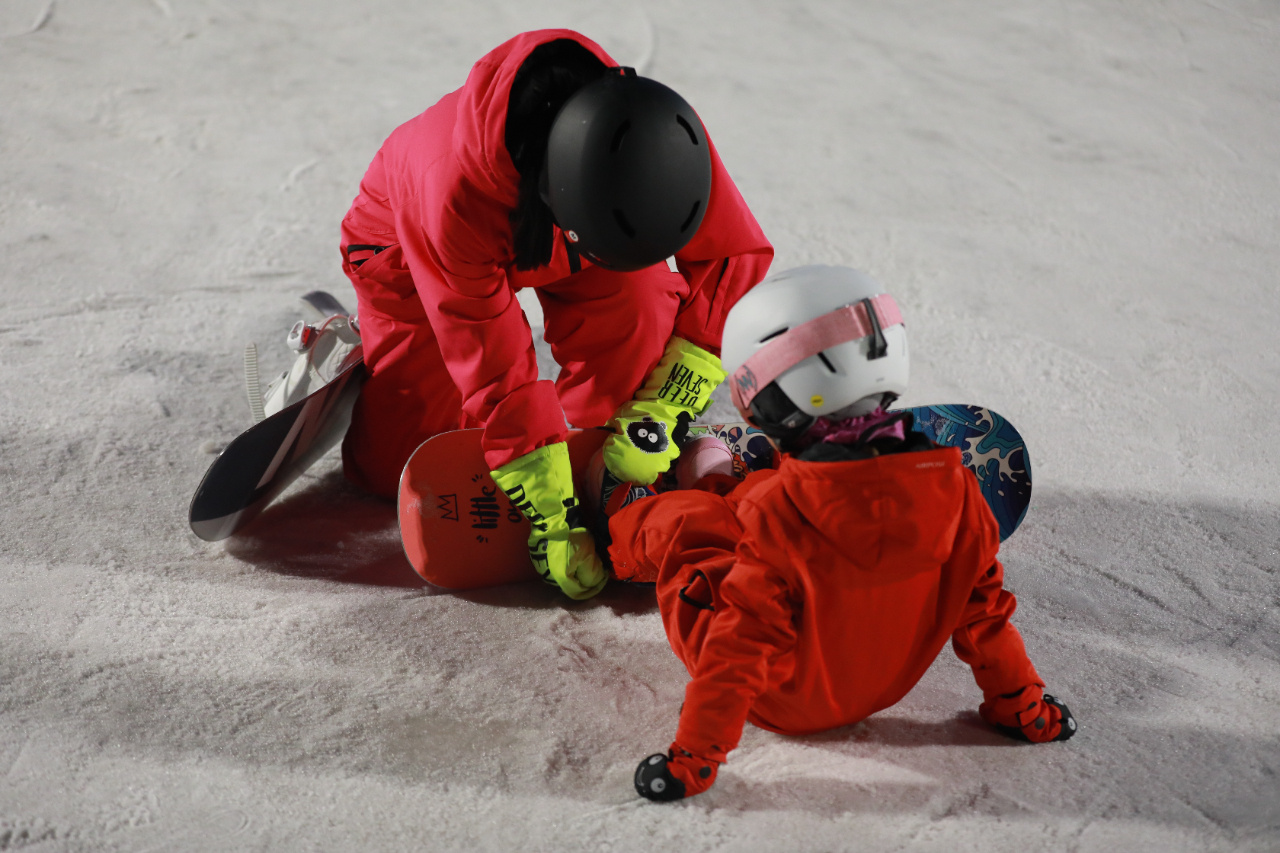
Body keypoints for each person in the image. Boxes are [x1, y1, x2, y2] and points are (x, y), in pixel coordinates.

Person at [595, 265, 1077, 802]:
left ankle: (630, 514)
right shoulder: (961, 491)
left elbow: (737, 651)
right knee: (776, 507)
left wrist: (693, 761)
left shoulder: (776, 513)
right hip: (885, 685)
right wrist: (1025, 709)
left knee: (694, 525)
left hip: (781, 699)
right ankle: (790, 467)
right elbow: (985, 617)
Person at [337, 30, 773, 600]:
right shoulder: (450, 191)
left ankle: (608, 467)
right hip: (408, 252)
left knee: (639, 305)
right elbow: (491, 357)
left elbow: (730, 253)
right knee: (398, 465)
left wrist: (661, 407)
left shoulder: (649, 131)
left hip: (576, 230)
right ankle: (367, 355)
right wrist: (546, 505)